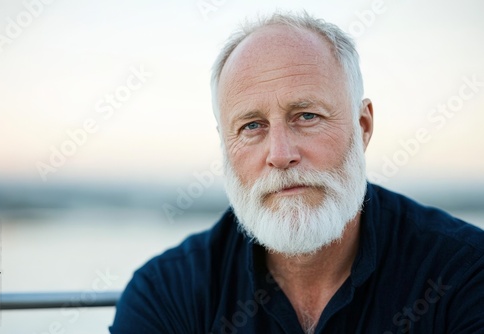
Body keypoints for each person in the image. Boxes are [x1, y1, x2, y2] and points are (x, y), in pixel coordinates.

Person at [110, 11, 484, 334]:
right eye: (252, 126)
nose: (280, 155)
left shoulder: (463, 272)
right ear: (225, 145)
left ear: (363, 126)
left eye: (307, 116)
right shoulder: (166, 294)